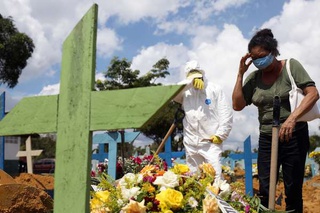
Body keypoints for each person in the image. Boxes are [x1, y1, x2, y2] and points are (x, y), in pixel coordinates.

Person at [232, 28, 319, 212]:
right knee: (265, 188)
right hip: (267, 138)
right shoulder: (254, 78)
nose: (259, 61)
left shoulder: (290, 66)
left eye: (262, 56)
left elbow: (313, 93)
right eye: (254, 58)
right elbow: (237, 105)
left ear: (273, 52)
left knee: (292, 189)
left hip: (293, 135)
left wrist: (292, 118)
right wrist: (240, 74)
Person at [174, 60, 233, 180]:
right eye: (191, 74)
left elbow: (225, 114)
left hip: (210, 142)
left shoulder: (214, 89)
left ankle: (218, 198)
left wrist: (221, 134)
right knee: (194, 178)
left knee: (215, 177)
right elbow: (172, 92)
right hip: (191, 143)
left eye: (197, 73)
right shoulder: (185, 93)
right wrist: (189, 83)